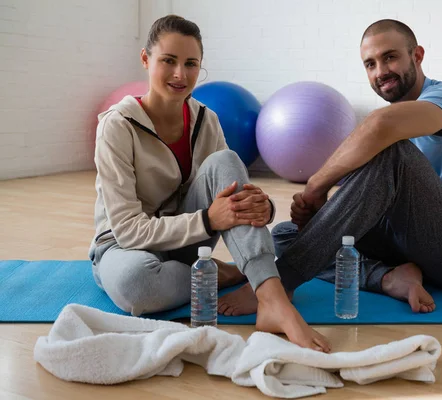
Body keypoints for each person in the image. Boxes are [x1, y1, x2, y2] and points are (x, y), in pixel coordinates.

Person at [219, 19, 442, 315]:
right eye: (370, 64)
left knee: (393, 152)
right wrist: (322, 213)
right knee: (287, 235)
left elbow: (381, 126)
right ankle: (388, 278)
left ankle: (280, 284)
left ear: (417, 56)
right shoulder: (393, 121)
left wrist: (315, 186)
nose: (381, 71)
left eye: (390, 57)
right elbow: (364, 192)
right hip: (409, 243)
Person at [88, 15, 330, 352]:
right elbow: (128, 230)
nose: (180, 74)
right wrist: (207, 221)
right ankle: (220, 275)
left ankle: (272, 300)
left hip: (186, 242)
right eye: (168, 61)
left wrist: (265, 206)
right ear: (146, 59)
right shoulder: (117, 126)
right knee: (137, 285)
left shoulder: (206, 118)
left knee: (226, 160)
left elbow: (230, 183)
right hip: (124, 246)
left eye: (191, 64)